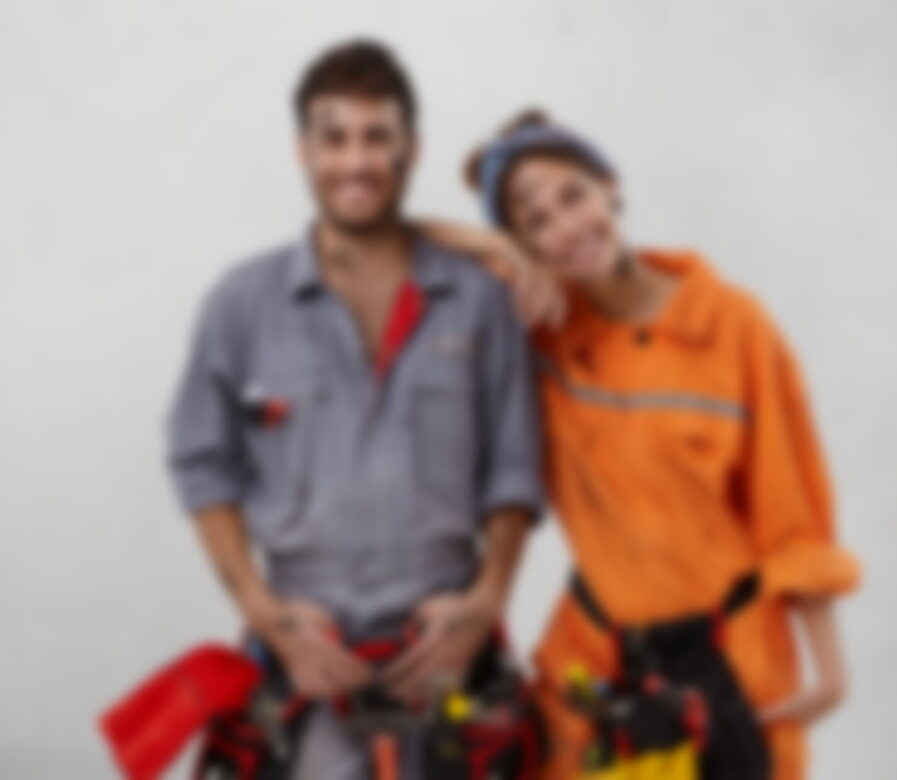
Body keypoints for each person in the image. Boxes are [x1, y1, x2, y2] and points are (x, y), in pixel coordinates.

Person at [419, 110, 861, 780]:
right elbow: (397, 243)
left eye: (573, 195)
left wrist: (830, 672)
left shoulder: (731, 326)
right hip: (595, 663)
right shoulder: (542, 328)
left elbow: (792, 512)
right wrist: (499, 250)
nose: (566, 227)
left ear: (610, 185)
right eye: (536, 222)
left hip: (728, 665)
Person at [164, 42, 544, 779]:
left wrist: (488, 599)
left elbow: (514, 466)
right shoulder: (241, 305)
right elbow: (202, 465)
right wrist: (264, 611)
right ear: (303, 151)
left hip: (446, 649)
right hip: (309, 654)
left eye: (377, 137)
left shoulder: (478, 299)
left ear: (411, 149)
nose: (356, 160)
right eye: (334, 138)